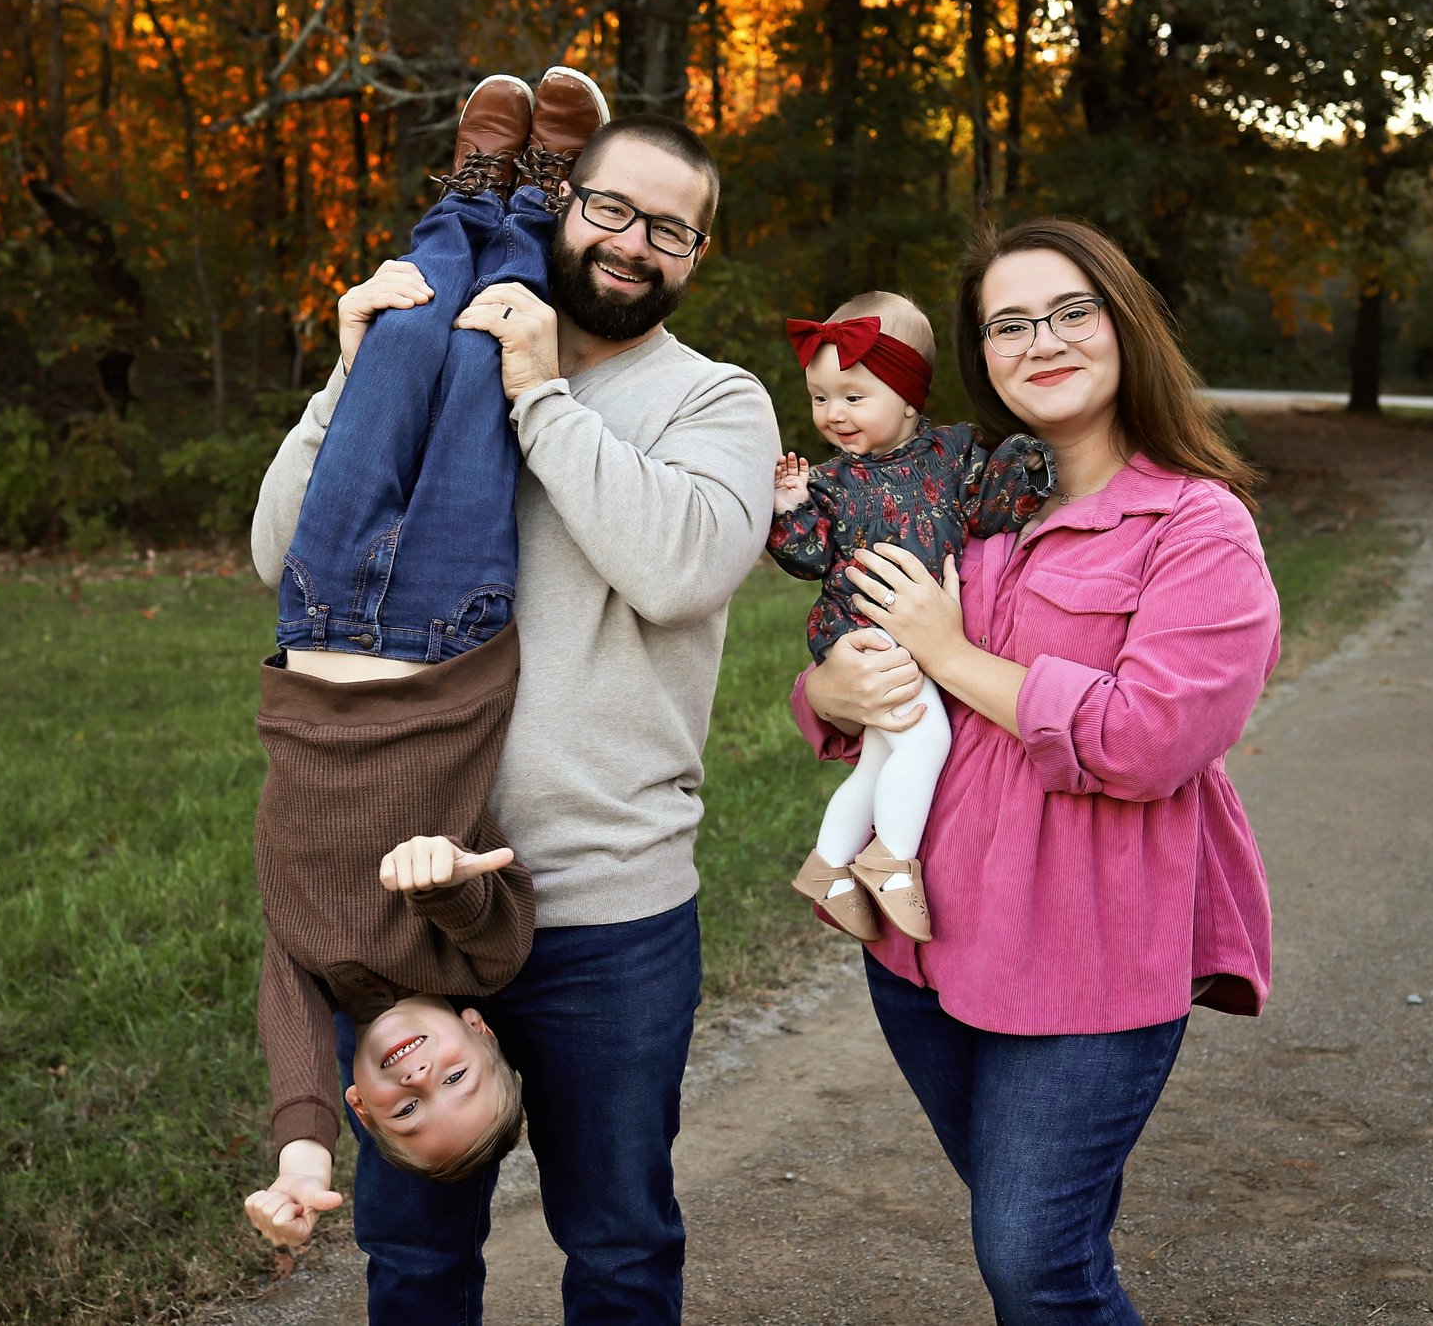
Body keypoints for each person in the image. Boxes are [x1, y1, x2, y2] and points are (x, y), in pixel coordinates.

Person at [251, 86, 780, 1323]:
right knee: (415, 1252)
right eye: (610, 206)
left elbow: (682, 566)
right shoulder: (440, 355)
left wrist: (539, 394)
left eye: (672, 228)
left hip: (605, 910)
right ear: (564, 204)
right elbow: (283, 552)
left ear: (697, 254)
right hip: (402, 930)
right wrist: (349, 370)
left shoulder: (717, 401)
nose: (633, 242)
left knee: (617, 1241)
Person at [793, 218, 1279, 1325]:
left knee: (1033, 1260)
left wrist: (954, 653)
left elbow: (1148, 739)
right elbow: (852, 679)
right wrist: (830, 692)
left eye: (1070, 311)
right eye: (1008, 322)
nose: (1041, 340)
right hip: (920, 949)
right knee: (1031, 1235)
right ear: (978, 353)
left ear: (1125, 325)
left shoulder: (1194, 526)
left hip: (1085, 960)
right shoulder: (963, 510)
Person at [241, 70, 611, 1246]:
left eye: (402, 1108)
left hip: (318, 607)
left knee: (402, 335)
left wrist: (303, 1160)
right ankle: (537, 202)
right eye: (457, 1079)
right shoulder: (481, 966)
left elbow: (291, 1056)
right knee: (476, 356)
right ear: (481, 1039)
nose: (422, 1076)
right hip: (451, 624)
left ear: (363, 1102)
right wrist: (440, 871)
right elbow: (497, 907)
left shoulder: (309, 964)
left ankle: (467, 195)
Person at [766, 291, 1052, 942]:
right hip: (863, 629)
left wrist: (1026, 466)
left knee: (877, 760)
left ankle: (829, 864)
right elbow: (809, 557)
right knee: (926, 738)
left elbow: (989, 508)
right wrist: (789, 508)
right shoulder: (833, 482)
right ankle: (890, 859)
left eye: (852, 396)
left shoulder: (952, 454)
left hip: (913, 630)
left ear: (908, 395)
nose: (832, 414)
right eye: (819, 397)